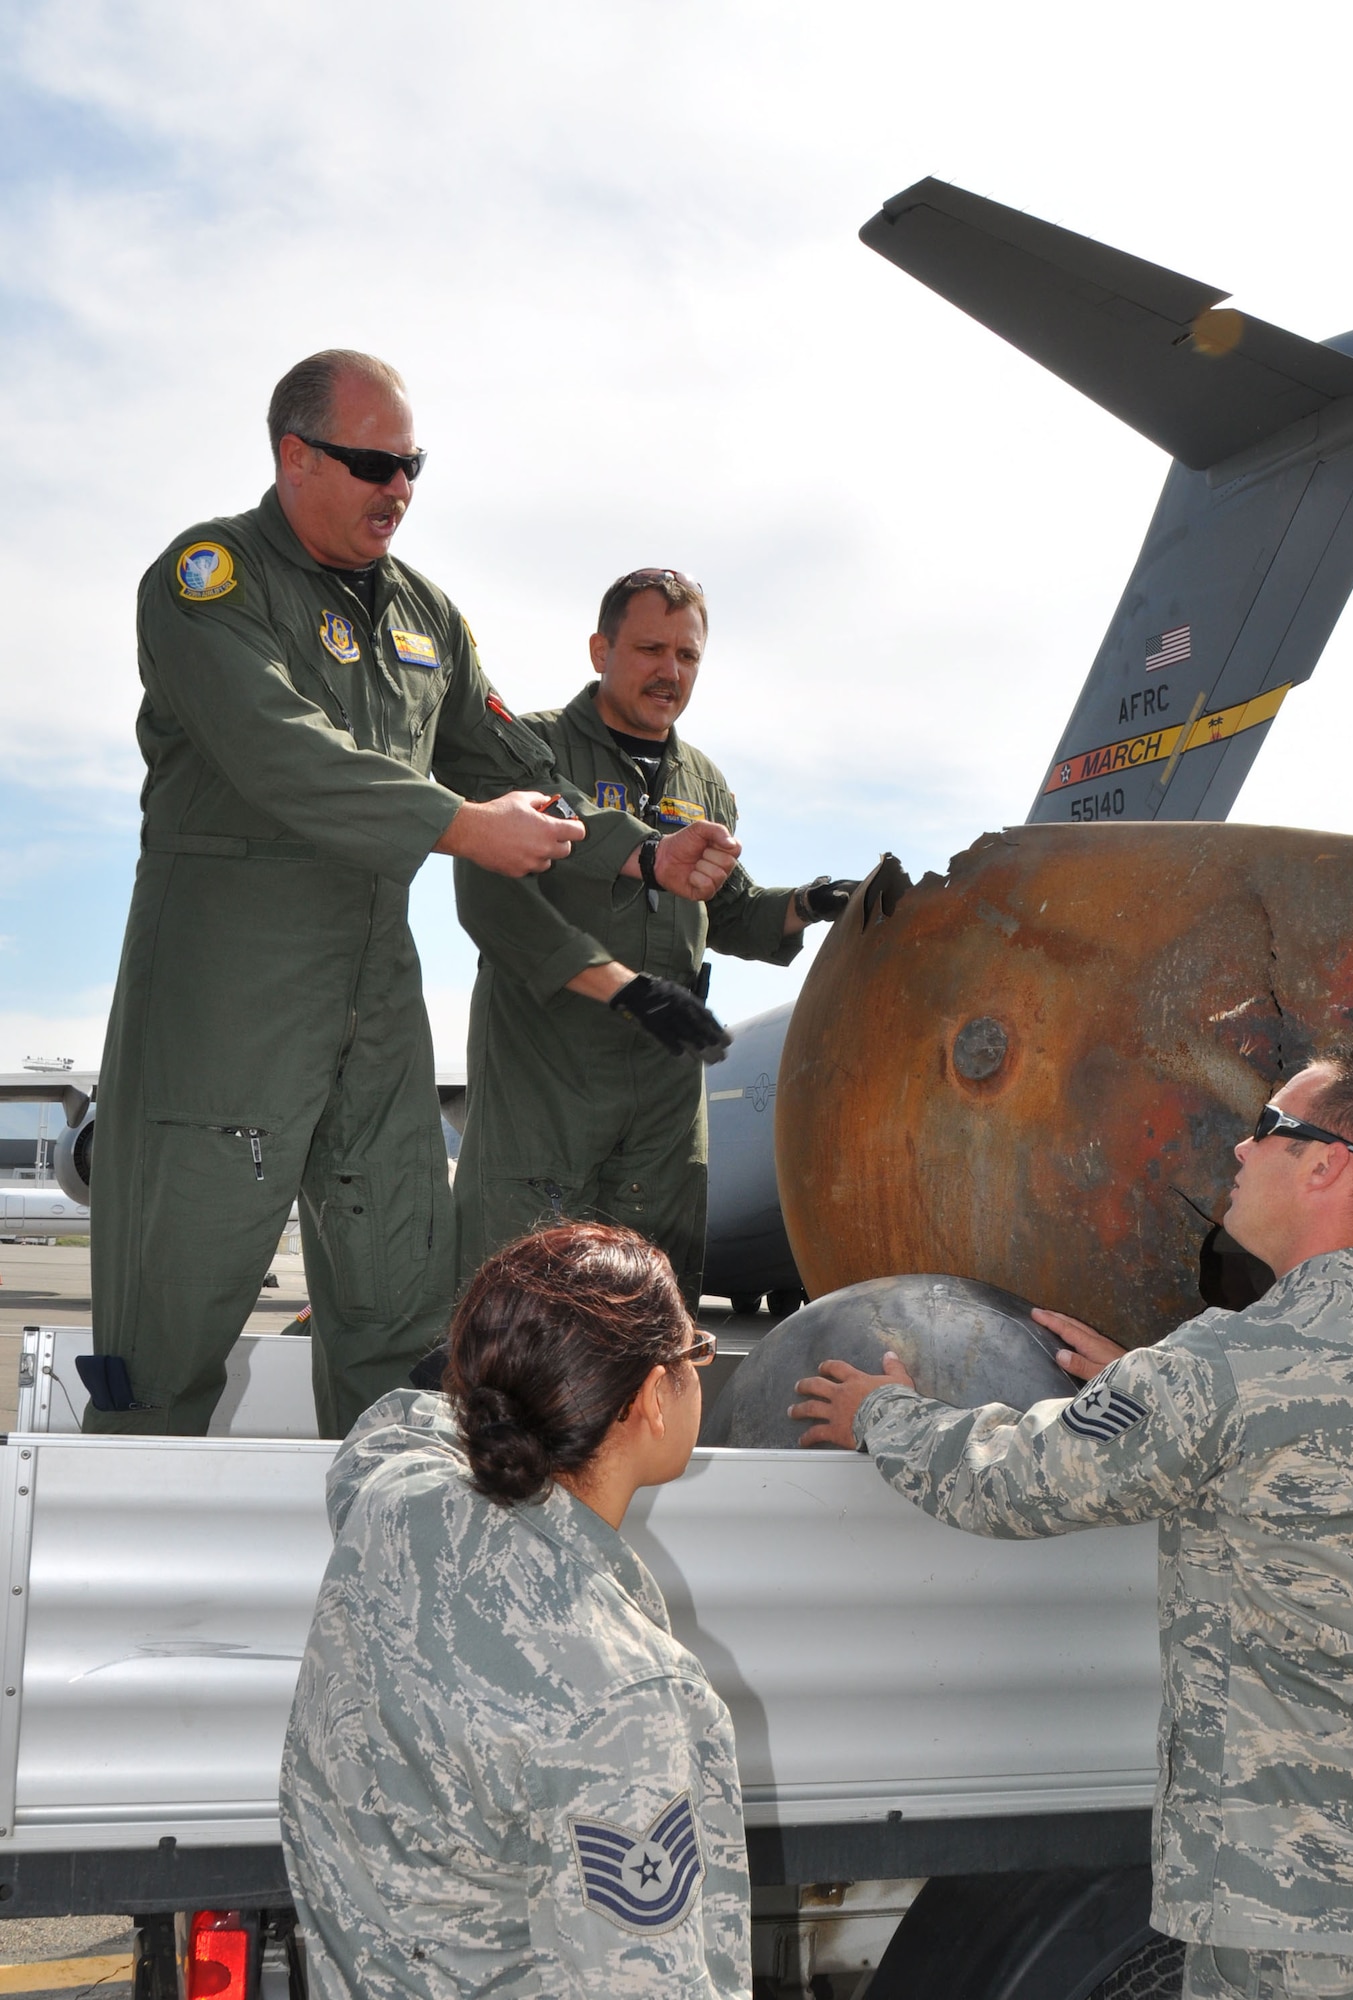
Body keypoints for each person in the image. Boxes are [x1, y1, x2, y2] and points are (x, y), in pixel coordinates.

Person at [792, 1045, 1353, 2000]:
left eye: (1269, 1126)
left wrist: (877, 1414)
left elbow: (1010, 1485)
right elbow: (1297, 1451)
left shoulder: (1226, 1368)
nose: (1239, 1146)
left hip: (1308, 1922)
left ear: (1327, 1164)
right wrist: (1142, 1388)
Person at [88, 351, 739, 1439]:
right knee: (171, 1305)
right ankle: (113, 1565)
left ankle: (394, 1568)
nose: (399, 487)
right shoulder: (209, 583)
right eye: (374, 463)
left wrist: (639, 853)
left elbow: (505, 757)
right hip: (224, 993)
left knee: (400, 1299)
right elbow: (286, 751)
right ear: (295, 457)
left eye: (413, 466)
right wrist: (459, 828)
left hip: (375, 992)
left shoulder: (423, 616)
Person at [280, 1222, 748, 1999]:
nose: (701, 1370)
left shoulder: (395, 1505)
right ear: (648, 1401)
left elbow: (394, 1428)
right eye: (693, 1354)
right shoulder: (624, 1701)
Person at [452, 567, 859, 1304]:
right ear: (598, 649)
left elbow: (730, 910)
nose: (669, 671)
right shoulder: (526, 751)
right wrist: (622, 990)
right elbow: (497, 912)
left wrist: (813, 901)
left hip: (668, 1084)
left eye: (687, 655)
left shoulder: (703, 782)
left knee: (650, 1303)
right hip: (547, 1076)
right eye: (647, 649)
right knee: (523, 1301)